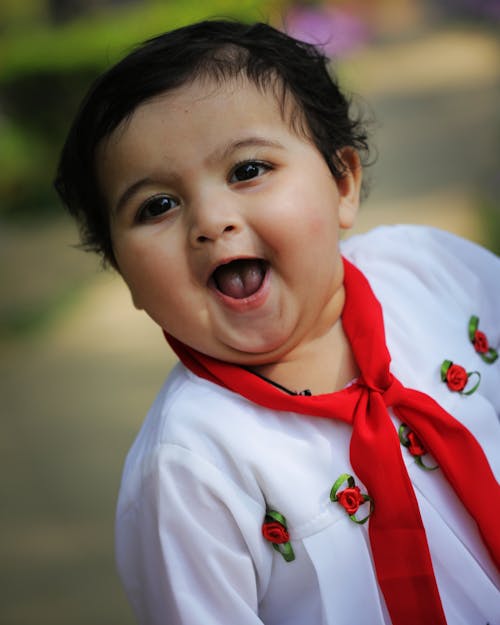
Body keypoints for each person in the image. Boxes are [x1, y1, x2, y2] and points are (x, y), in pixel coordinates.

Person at [55, 20, 500, 625]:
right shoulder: (190, 468)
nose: (211, 220)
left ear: (343, 183)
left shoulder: (433, 270)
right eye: (156, 205)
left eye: (247, 170)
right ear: (125, 275)